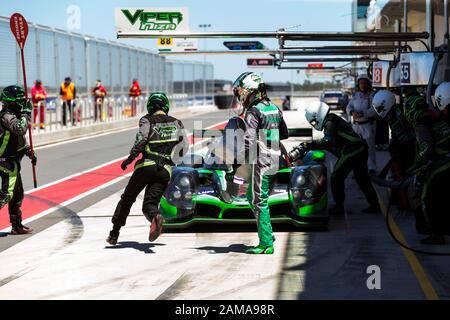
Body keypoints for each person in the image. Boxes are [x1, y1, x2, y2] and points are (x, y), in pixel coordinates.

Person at [107, 92, 188, 245]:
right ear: (166, 106)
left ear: (150, 106)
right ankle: (155, 217)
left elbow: (142, 139)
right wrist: (172, 162)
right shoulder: (177, 123)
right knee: (150, 205)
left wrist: (130, 158)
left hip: (146, 166)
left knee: (127, 199)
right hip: (165, 171)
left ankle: (114, 234)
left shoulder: (147, 120)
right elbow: (184, 147)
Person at [289, 101, 381, 216]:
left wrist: (308, 145)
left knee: (336, 176)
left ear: (318, 114)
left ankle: (339, 207)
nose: (314, 123)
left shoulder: (330, 122)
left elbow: (327, 142)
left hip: (352, 151)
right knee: (362, 179)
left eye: (313, 120)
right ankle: (375, 204)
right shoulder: (332, 120)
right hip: (360, 149)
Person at [232, 72, 289, 254]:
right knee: (252, 196)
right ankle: (267, 233)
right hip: (274, 159)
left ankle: (266, 244)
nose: (240, 95)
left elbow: (248, 141)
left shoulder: (253, 111)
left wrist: (238, 161)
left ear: (250, 91)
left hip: (262, 161)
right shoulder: (274, 108)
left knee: (259, 201)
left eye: (241, 91)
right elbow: (285, 133)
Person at [403, 88, 450, 245]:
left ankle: (437, 234)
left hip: (444, 162)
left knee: (428, 197)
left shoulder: (421, 122)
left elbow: (426, 147)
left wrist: (417, 165)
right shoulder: (435, 116)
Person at [0, 86, 37, 234]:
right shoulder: (6, 116)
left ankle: (16, 225)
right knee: (6, 195)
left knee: (17, 193)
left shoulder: (15, 114)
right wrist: (27, 113)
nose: (22, 102)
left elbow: (18, 139)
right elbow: (20, 128)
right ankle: (16, 225)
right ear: (12, 101)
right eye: (20, 100)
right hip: (4, 160)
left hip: (13, 159)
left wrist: (28, 151)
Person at [347, 74, 377, 173]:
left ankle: (371, 168)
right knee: (355, 149)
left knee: (369, 148)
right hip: (356, 126)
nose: (362, 85)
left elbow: (374, 110)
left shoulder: (372, 95)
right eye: (360, 83)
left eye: (364, 83)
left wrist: (361, 113)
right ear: (358, 85)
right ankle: (358, 169)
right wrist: (352, 112)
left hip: (367, 125)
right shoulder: (355, 95)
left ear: (368, 84)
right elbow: (349, 106)